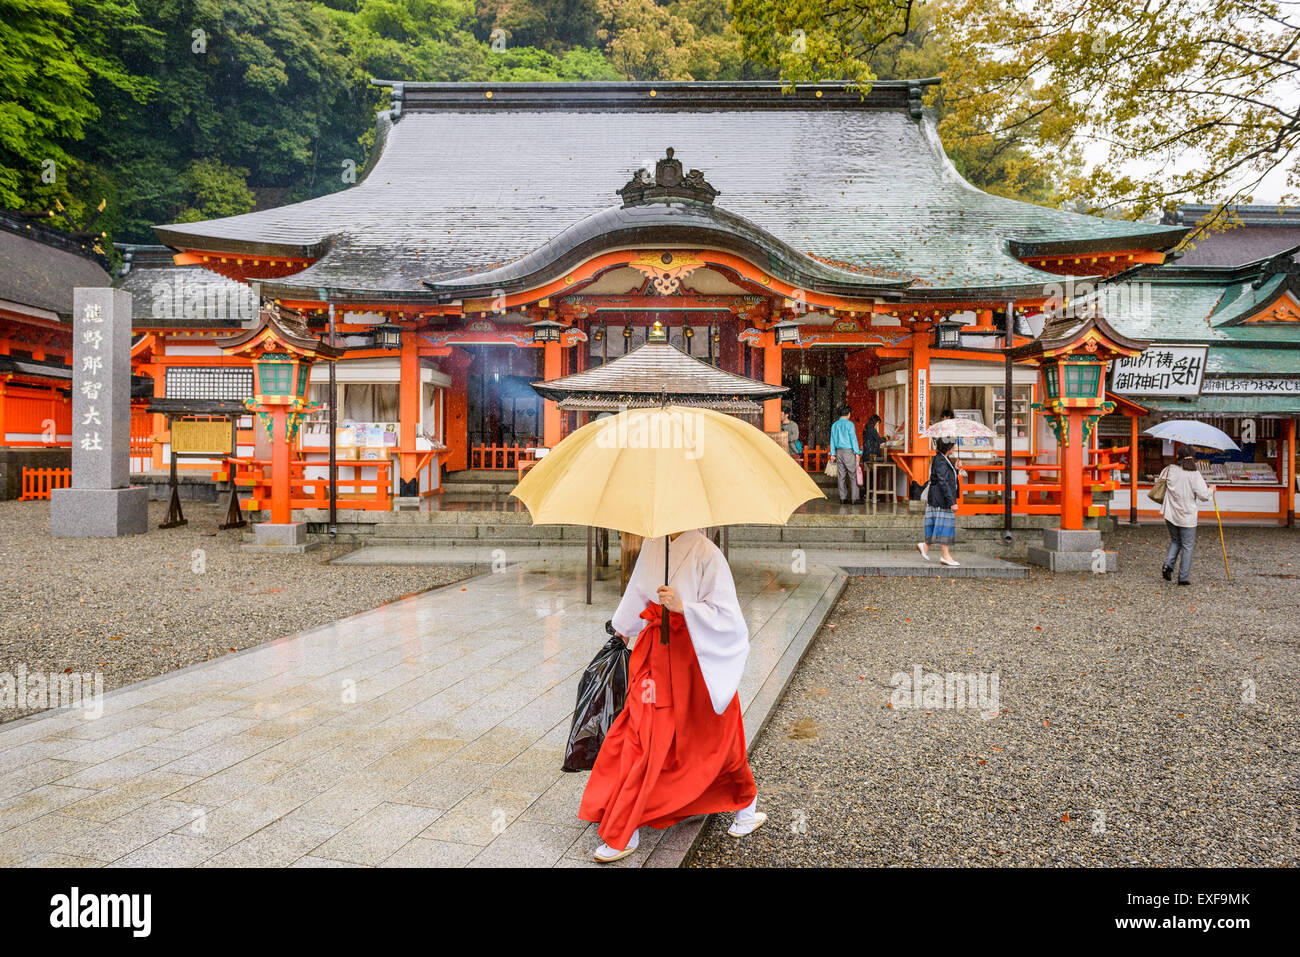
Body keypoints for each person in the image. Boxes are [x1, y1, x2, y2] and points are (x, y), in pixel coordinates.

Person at [579, 529, 764, 862]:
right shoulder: (653, 545)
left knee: (717, 734)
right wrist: (622, 629)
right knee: (640, 733)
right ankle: (625, 826)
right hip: (655, 653)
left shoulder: (707, 553)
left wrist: (685, 608)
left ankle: (745, 807)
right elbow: (637, 592)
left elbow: (729, 618)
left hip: (697, 656)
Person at [1158, 451, 1216, 585]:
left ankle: (1168, 565)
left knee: (1175, 540)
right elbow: (1204, 495)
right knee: (1187, 546)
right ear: (1193, 458)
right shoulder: (1194, 474)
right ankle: (1183, 577)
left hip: (1170, 512)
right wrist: (1211, 489)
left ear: (1178, 457)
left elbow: (1160, 481)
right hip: (1187, 515)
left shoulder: (1169, 470)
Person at [917, 438, 962, 567]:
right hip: (942, 499)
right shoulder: (941, 461)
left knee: (938, 525)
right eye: (953, 445)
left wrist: (956, 468)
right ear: (948, 447)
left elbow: (946, 477)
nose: (954, 447)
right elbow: (943, 482)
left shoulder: (942, 459)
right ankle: (945, 555)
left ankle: (925, 546)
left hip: (939, 498)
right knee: (945, 527)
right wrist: (952, 501)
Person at [829, 405, 862, 504]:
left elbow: (832, 440)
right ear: (848, 414)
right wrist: (857, 452)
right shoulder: (850, 424)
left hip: (839, 452)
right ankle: (854, 498)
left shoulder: (835, 425)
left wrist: (833, 453)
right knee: (852, 475)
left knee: (841, 476)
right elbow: (853, 439)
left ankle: (843, 498)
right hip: (848, 452)